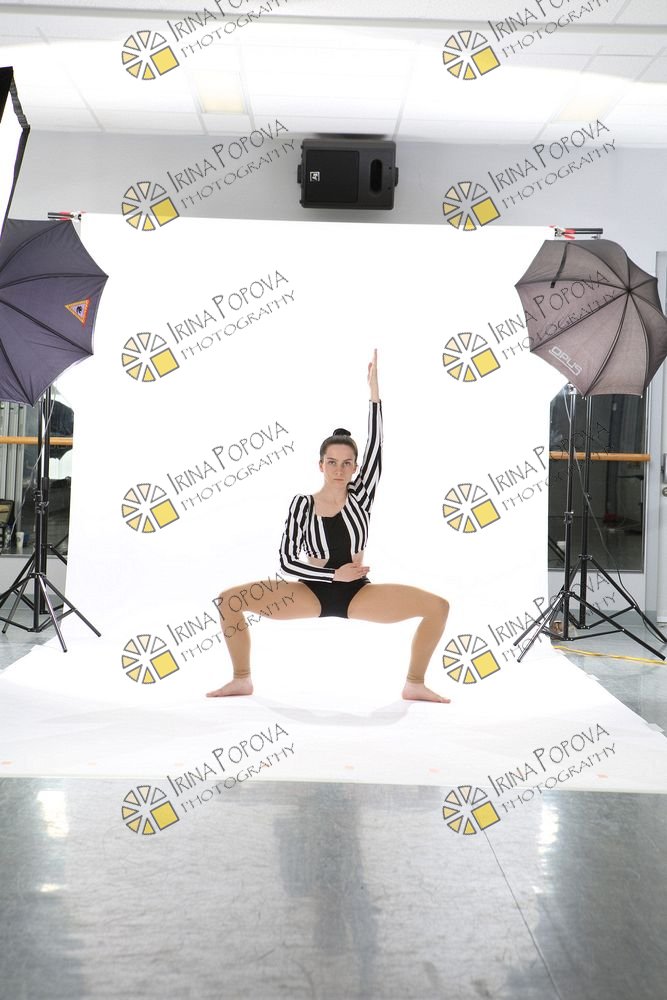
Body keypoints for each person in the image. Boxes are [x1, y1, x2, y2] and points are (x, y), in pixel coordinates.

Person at [207, 349, 451, 703]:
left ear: (355, 468)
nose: (340, 469)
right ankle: (241, 679)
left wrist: (375, 395)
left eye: (347, 463)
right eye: (332, 462)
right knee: (229, 600)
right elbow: (286, 562)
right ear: (320, 464)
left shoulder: (361, 496)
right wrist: (333, 576)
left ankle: (414, 683)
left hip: (358, 595)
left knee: (438, 607)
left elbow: (377, 445)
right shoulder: (302, 504)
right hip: (310, 592)